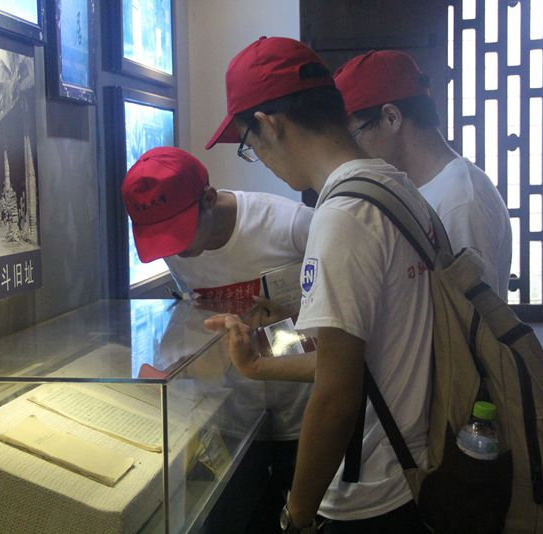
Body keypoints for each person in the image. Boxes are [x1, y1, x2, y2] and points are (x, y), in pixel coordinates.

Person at [203, 36, 434, 533]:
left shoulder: (341, 216)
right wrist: (260, 362)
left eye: (248, 145)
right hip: (418, 469)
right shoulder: (397, 188)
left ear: (269, 125)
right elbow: (362, 351)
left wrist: (299, 513)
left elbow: (337, 393)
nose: (259, 157)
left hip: (373, 491)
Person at [121, 146, 315, 533]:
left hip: (302, 410)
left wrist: (287, 319)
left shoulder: (290, 224)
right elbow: (194, 309)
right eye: (160, 238)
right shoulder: (176, 251)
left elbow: (347, 317)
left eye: (179, 232)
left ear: (209, 198)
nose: (175, 250)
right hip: (233, 420)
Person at [333, 50, 512, 298]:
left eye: (354, 136)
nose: (351, 152)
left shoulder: (459, 200)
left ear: (391, 118)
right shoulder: (420, 189)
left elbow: (467, 314)